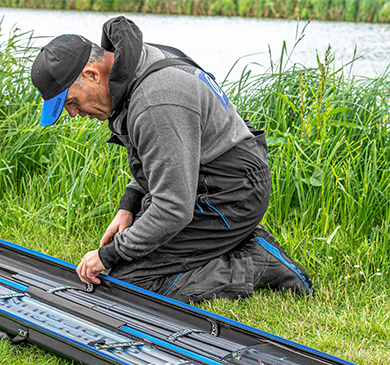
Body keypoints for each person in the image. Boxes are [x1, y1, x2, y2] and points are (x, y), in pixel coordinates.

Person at [30, 16, 312, 302]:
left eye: (71, 102)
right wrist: (128, 207)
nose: (73, 114)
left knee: (129, 283)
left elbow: (173, 208)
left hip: (232, 194)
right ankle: (228, 240)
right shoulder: (134, 66)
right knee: (133, 254)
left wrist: (109, 255)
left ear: (91, 74)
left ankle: (257, 263)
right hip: (205, 179)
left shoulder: (156, 101)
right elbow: (161, 159)